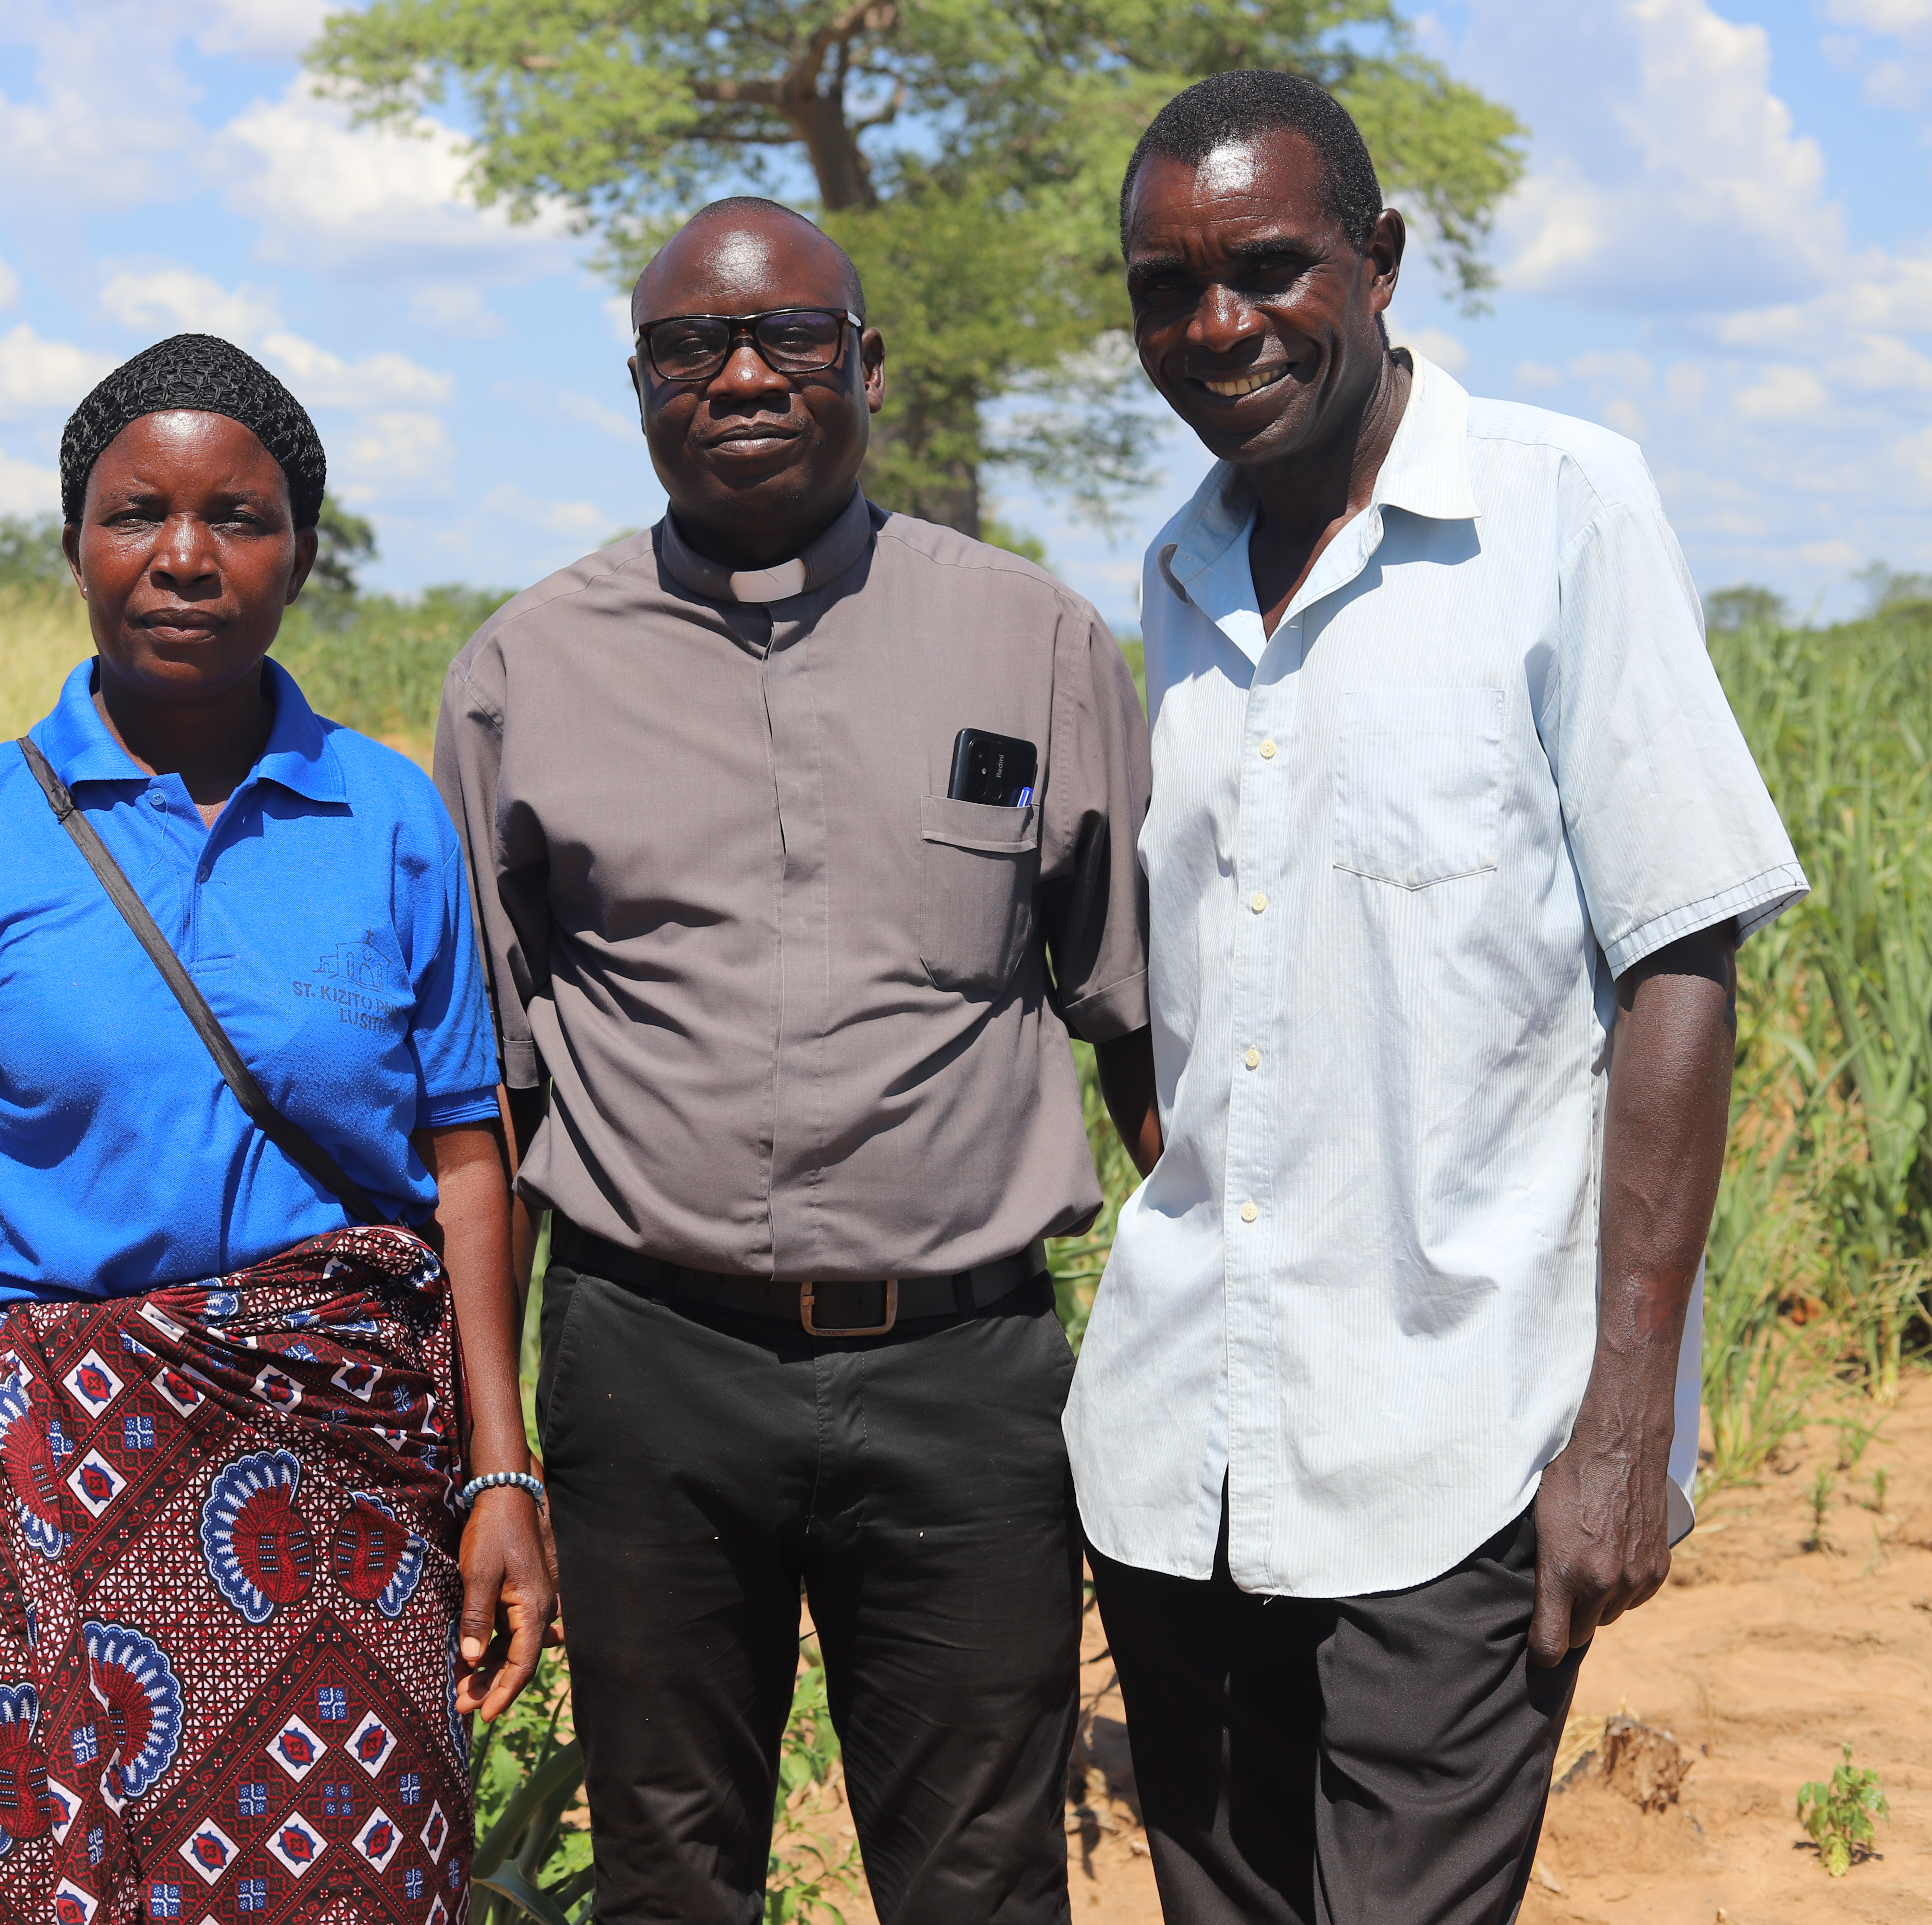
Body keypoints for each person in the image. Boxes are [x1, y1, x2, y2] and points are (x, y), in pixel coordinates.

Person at [1067, 70, 1805, 1925]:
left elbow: (1679, 962)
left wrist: (1629, 1424)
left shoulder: (1561, 509)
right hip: (1188, 1451)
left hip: (1463, 1445)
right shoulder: (1174, 574)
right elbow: (1178, 994)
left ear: (1380, 261)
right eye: (1170, 289)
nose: (1219, 326)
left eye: (1268, 267)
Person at [434, 199, 1156, 1923]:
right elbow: (485, 1094)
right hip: (649, 1366)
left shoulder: (1036, 647)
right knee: (672, 1874)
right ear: (639, 387)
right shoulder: (525, 671)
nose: (743, 373)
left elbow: (1142, 1027)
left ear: (870, 368)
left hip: (964, 1375)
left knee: (979, 1878)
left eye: (792, 337)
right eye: (693, 346)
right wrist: (499, 1449)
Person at [0, 334, 556, 1925]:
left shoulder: (389, 817)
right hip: (53, 1488)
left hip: (351, 1498)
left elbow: (471, 1159)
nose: (185, 557)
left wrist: (498, 1469)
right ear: (75, 547)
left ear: (303, 554)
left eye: (239, 517)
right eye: (137, 515)